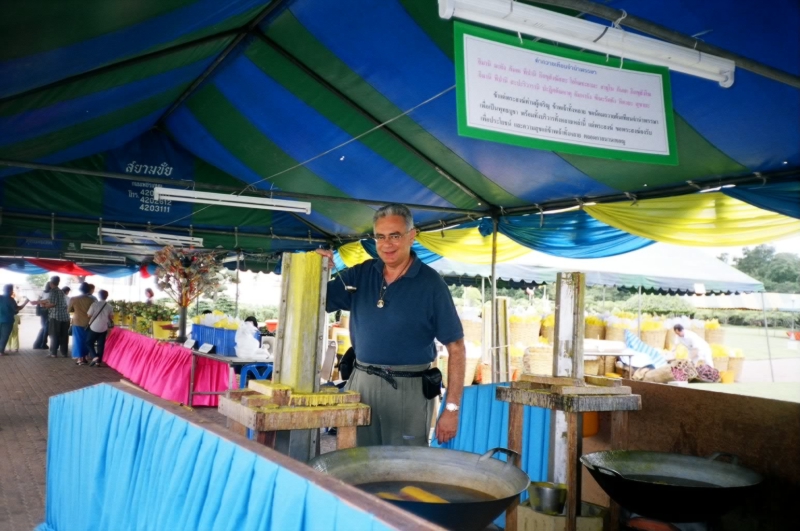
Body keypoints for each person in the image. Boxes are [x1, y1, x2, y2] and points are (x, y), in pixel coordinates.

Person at [317, 204, 465, 447]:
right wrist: (320, 270)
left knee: (403, 467)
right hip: (362, 383)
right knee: (357, 461)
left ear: (411, 235)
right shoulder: (361, 274)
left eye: (395, 236)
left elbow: (457, 347)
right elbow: (317, 299)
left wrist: (451, 409)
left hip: (410, 390)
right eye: (380, 237)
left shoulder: (431, 285)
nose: (387, 244)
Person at [39, 276, 70, 358]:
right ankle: (64, 353)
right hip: (65, 317)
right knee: (64, 335)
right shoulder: (61, 291)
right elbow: (51, 300)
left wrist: (44, 305)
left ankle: (53, 353)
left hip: (56, 317)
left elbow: (52, 304)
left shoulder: (53, 291)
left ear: (51, 283)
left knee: (54, 335)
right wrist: (40, 301)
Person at [86, 289, 113, 367]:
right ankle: (98, 362)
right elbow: (111, 317)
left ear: (99, 296)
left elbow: (89, 315)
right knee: (100, 345)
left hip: (94, 326)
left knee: (89, 342)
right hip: (104, 327)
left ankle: (94, 357)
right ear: (107, 296)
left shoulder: (95, 304)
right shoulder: (109, 306)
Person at [68, 282, 94, 365]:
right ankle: (85, 357)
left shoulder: (74, 299)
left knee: (78, 340)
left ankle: (80, 359)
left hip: (77, 321)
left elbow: (68, 310)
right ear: (89, 290)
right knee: (86, 340)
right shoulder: (91, 300)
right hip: (88, 322)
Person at [1, 285, 27, 355]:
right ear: (10, 290)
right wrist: (25, 302)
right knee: (4, 336)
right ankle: (1, 351)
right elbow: (16, 309)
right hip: (7, 320)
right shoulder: (11, 299)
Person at [32, 283, 51, 349]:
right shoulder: (52, 293)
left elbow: (38, 301)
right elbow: (49, 301)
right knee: (46, 328)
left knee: (44, 327)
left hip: (42, 311)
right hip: (48, 310)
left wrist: (40, 303)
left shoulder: (42, 292)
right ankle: (42, 343)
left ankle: (38, 344)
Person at [7, 286, 26, 353]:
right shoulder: (17, 316)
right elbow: (19, 323)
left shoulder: (9, 314)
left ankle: (8, 347)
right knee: (15, 337)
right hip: (15, 328)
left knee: (8, 337)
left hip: (8, 326)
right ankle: (15, 348)